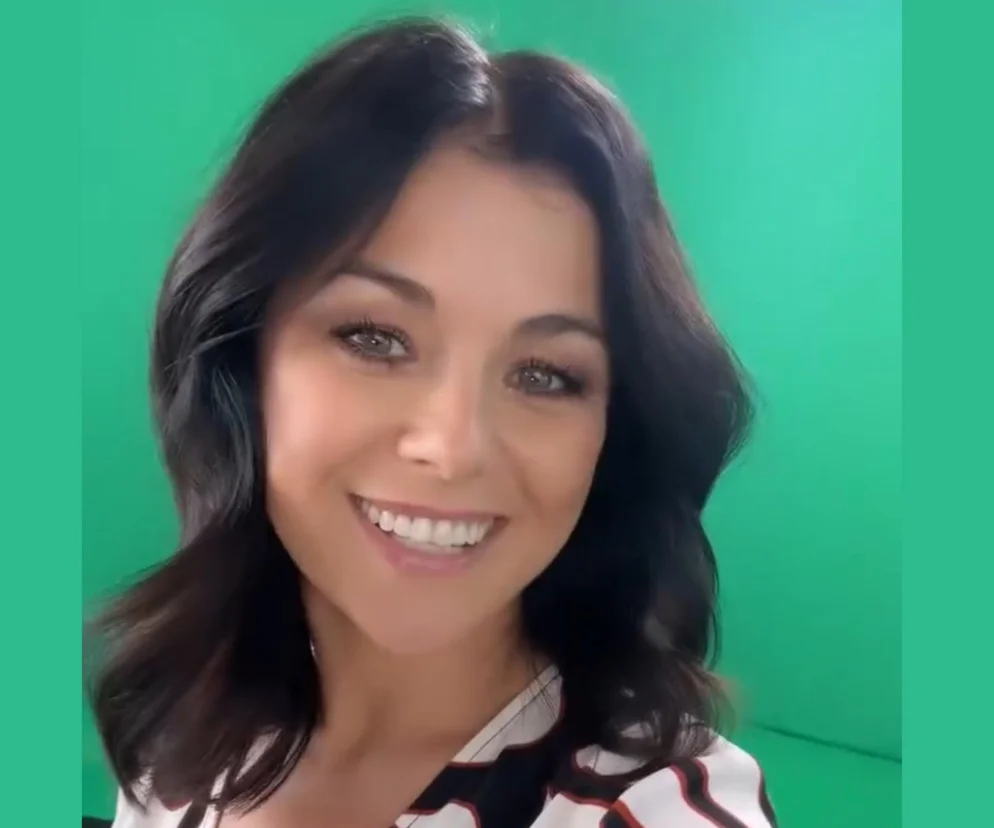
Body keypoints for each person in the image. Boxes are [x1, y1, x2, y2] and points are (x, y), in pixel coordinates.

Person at [88, 17, 775, 828]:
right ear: (242, 358)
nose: (451, 448)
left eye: (546, 375)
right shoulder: (188, 720)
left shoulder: (644, 808)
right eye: (375, 338)